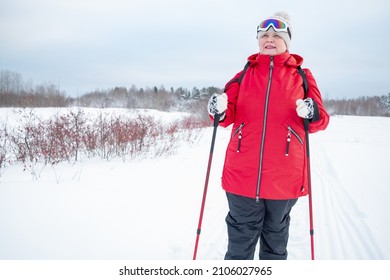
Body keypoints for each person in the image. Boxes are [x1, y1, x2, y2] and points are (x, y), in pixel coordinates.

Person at [207, 11, 330, 260]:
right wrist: (216, 109)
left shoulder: (303, 77)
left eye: (277, 35)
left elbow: (320, 121)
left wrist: (312, 112)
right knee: (239, 245)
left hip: (284, 178)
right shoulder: (242, 76)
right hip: (242, 175)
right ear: (258, 40)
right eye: (265, 35)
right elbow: (225, 116)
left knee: (275, 243)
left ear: (287, 41)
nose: (270, 39)